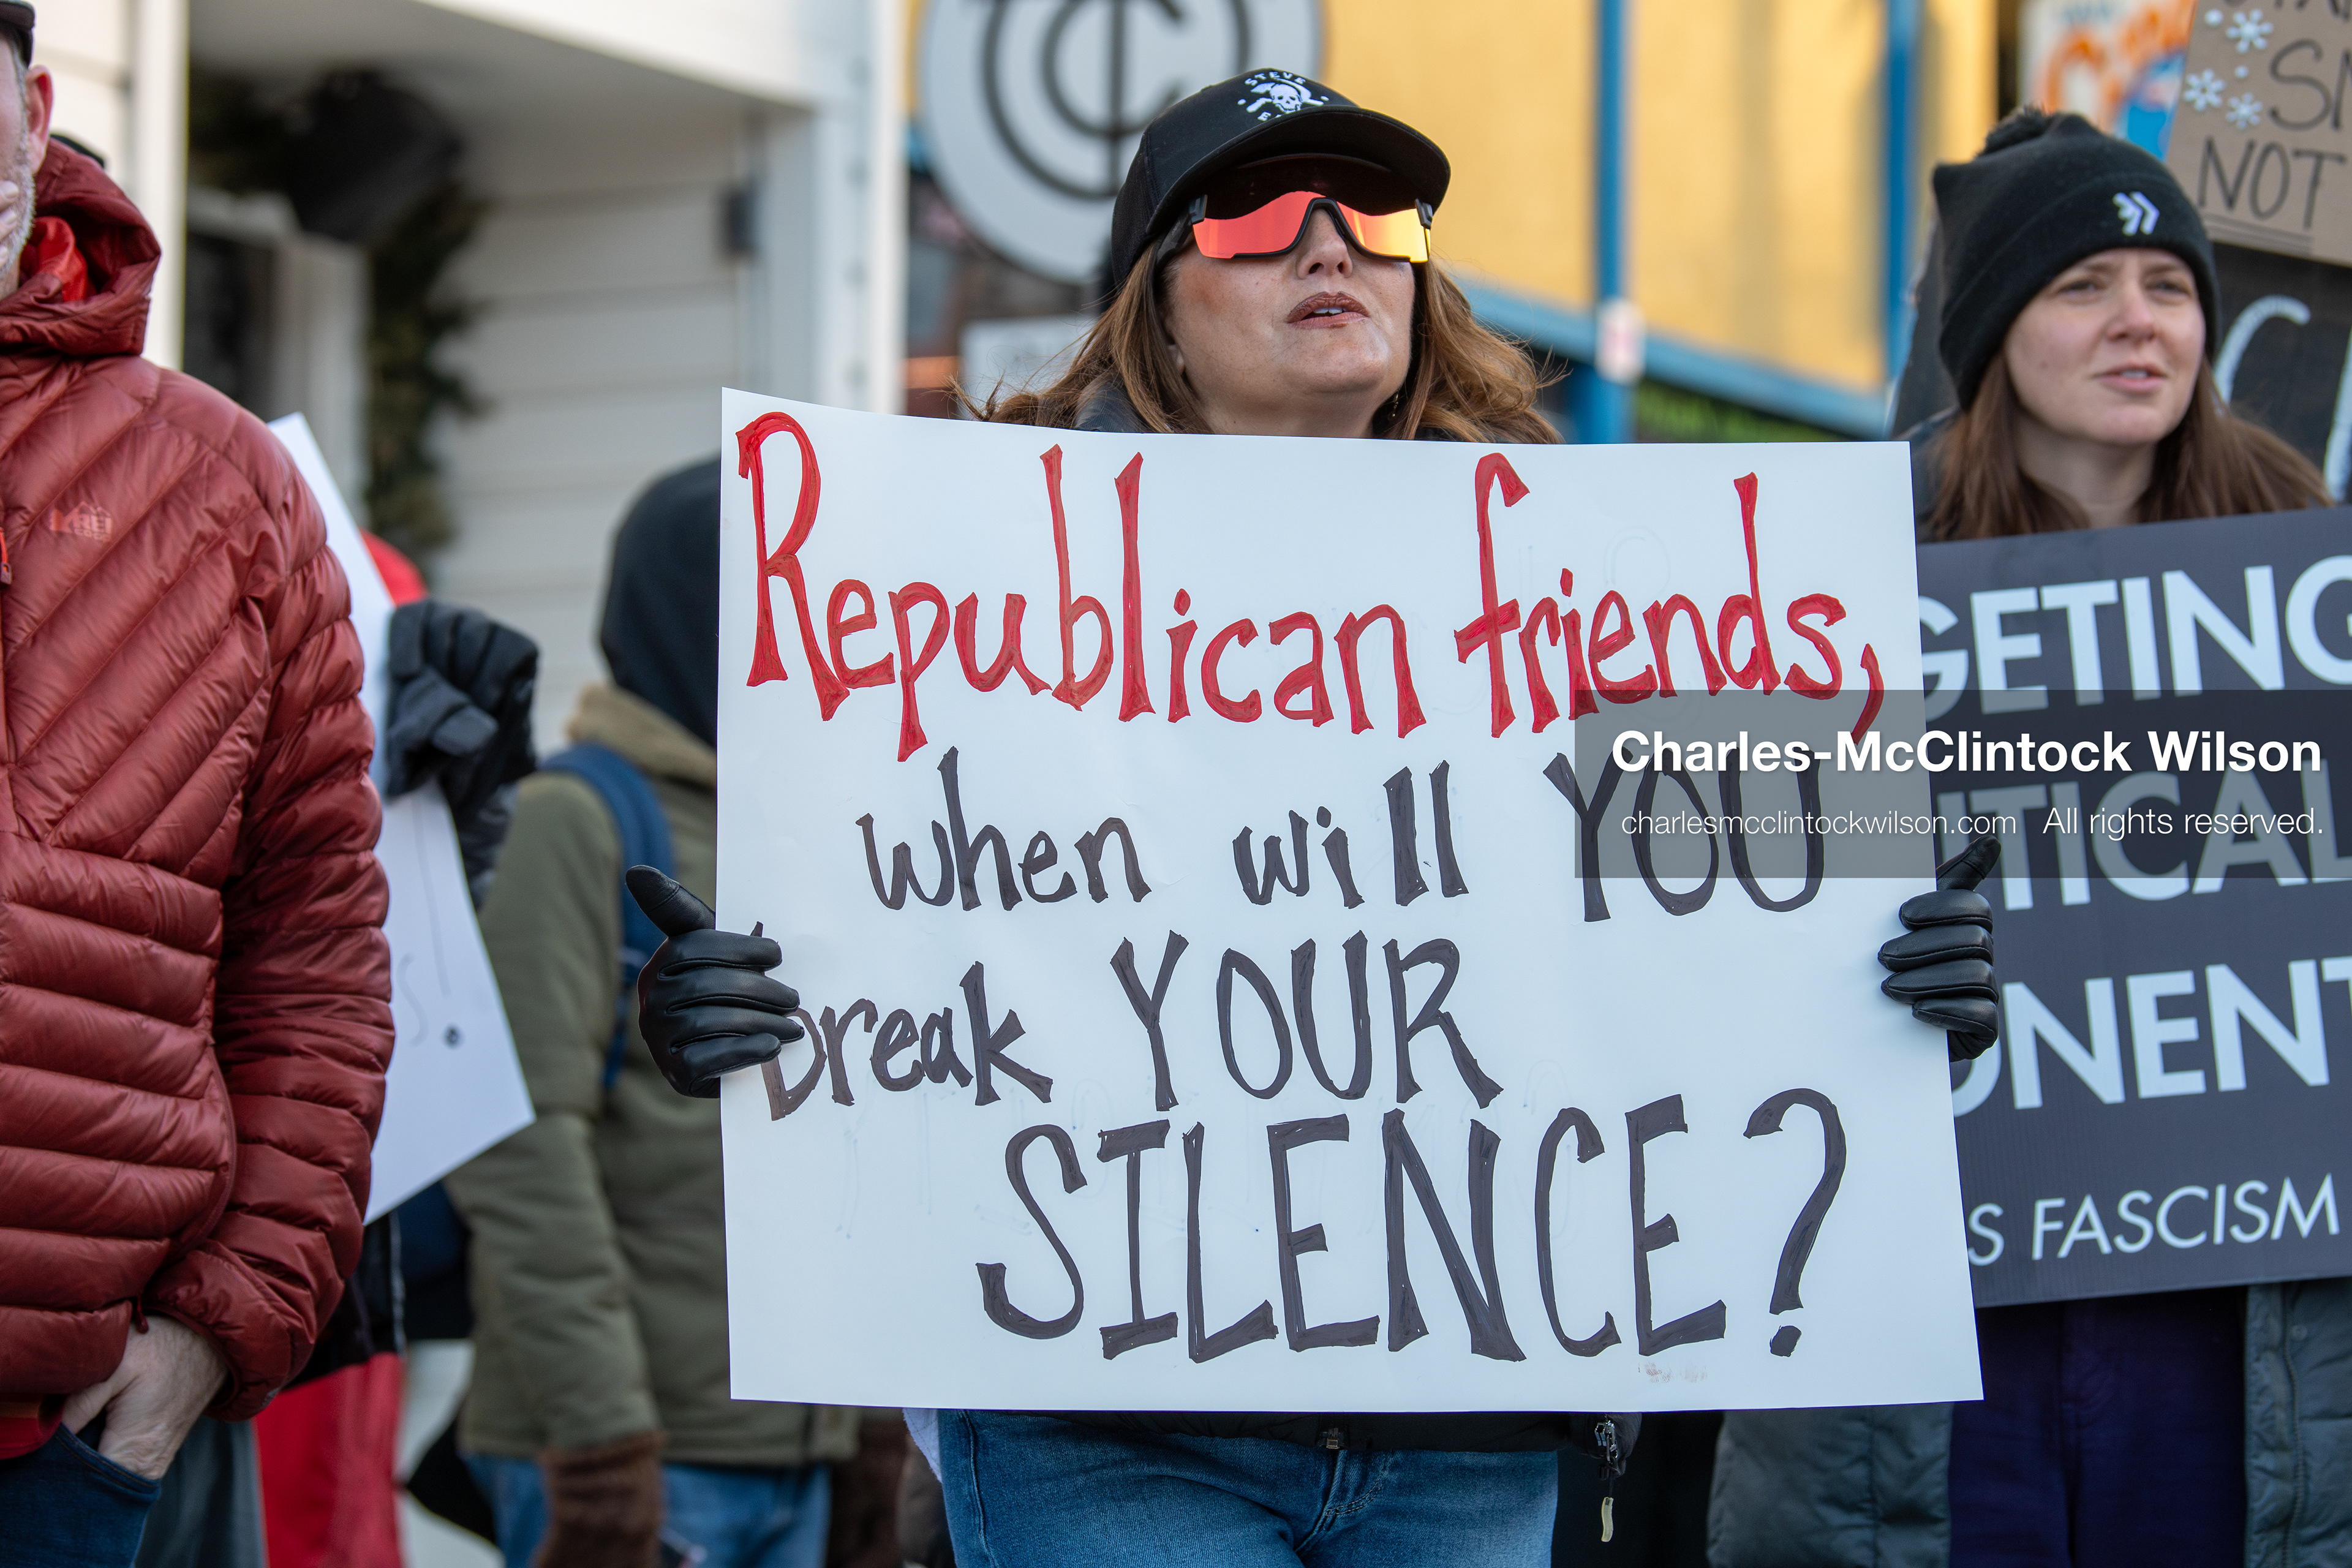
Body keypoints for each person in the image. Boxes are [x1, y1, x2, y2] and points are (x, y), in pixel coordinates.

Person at [620, 70, 2005, 1568]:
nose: (1331, 243)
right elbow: (895, 942)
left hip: (1465, 1433)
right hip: (1109, 1425)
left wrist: (1897, 989)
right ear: (1156, 305)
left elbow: (1744, 936)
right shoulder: (969, 592)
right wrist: (736, 1013)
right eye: (1261, 214)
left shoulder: (1596, 592)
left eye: (1376, 215)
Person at [1710, 110, 2350, 1567]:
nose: (2140, 321)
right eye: (2083, 284)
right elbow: (1679, 903)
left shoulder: (2314, 578)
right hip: (1937, 1331)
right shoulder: (1813, 575)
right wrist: (1852, 965)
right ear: (1995, 329)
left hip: (2230, 1323)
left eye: (2170, 285)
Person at [0, 6, 396, 1565]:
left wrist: (219, 1325)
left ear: (35, 116)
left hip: (70, 1442)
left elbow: (317, 953)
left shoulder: (223, 491)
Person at [443, 458, 862, 1568]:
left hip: (801, 1447)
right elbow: (520, 1142)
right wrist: (601, 1439)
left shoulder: (813, 821)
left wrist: (867, 1427)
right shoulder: (575, 818)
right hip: (640, 1456)